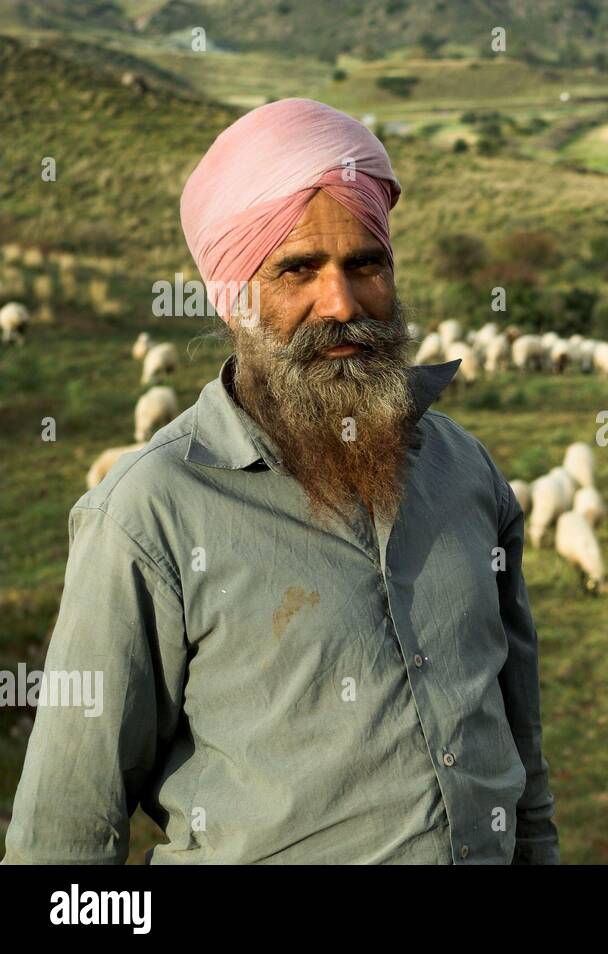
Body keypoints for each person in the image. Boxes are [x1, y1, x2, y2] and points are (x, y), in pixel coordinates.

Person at [2, 98, 559, 864]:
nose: (342, 303)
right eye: (298, 269)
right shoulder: (150, 515)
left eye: (366, 264)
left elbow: (520, 754)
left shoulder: (465, 473)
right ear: (233, 299)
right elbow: (63, 833)